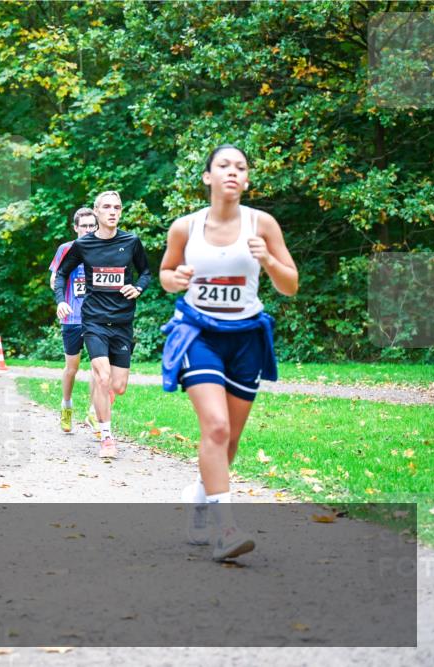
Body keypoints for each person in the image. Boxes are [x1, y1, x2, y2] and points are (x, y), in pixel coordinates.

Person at [159, 144, 298, 561]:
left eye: (240, 167)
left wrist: (269, 260)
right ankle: (226, 531)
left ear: (247, 180)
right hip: (198, 332)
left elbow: (290, 283)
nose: (232, 172)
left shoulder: (263, 224)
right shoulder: (185, 227)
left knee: (231, 439)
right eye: (223, 166)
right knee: (216, 427)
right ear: (208, 177)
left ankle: (201, 497)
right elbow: (165, 274)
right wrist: (177, 278)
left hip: (246, 337)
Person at [53, 191, 151, 458]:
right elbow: (61, 273)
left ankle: (96, 406)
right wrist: (61, 300)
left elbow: (146, 272)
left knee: (117, 386)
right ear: (96, 212)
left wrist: (138, 287)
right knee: (103, 376)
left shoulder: (131, 242)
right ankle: (107, 438)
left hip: (122, 321)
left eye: (117, 207)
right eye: (106, 207)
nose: (112, 212)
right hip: (93, 319)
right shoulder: (84, 245)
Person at [49, 208, 99, 435]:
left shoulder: (102, 248)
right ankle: (66, 406)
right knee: (73, 368)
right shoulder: (66, 249)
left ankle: (93, 412)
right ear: (76, 227)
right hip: (72, 317)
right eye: (85, 226)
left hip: (97, 318)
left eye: (92, 225)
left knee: (99, 368)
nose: (89, 230)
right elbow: (54, 279)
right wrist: (61, 300)